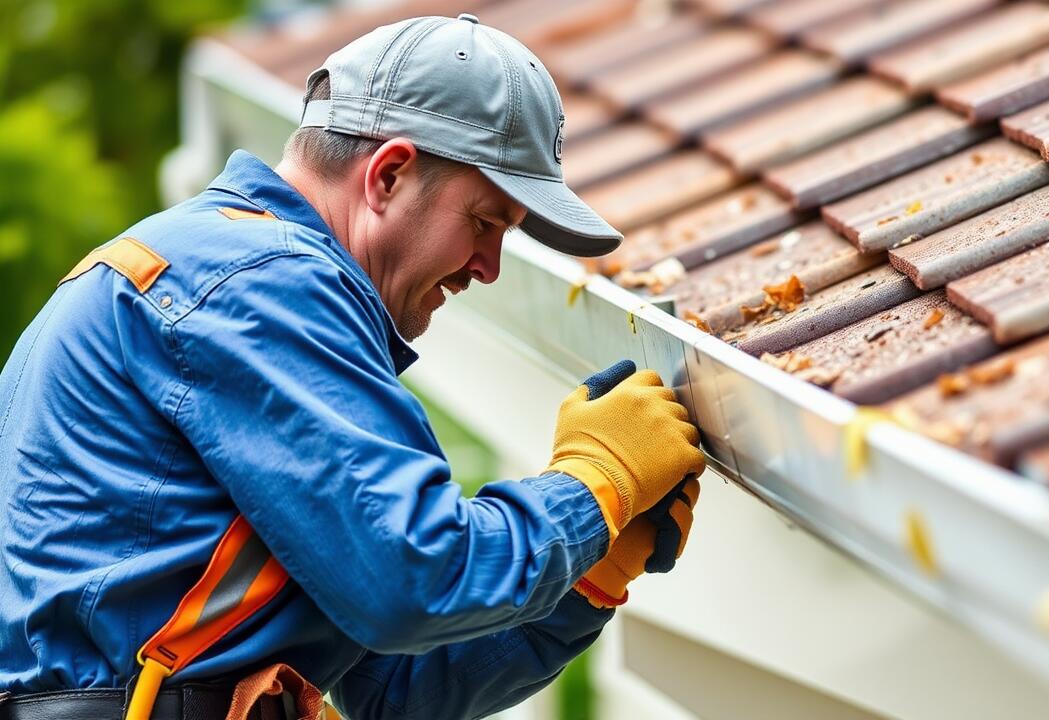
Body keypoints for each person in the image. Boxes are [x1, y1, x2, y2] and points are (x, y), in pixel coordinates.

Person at [0, 13, 705, 720]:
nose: (489, 268)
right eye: (486, 223)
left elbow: (395, 690)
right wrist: (595, 482)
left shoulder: (221, 279)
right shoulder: (256, 284)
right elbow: (418, 581)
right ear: (390, 174)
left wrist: (594, 569)